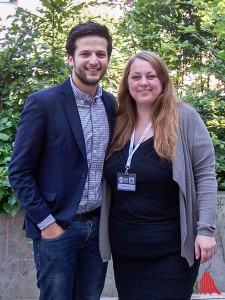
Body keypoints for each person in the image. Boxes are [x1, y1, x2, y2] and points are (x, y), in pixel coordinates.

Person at [8, 22, 116, 300]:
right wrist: (47, 223)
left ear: (108, 59)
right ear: (70, 58)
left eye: (101, 54)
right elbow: (19, 171)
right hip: (59, 227)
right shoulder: (43, 103)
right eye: (85, 54)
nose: (94, 61)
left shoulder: (111, 105)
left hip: (98, 228)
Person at [102, 50, 217, 300]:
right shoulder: (118, 122)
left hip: (171, 251)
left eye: (151, 76)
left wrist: (206, 231)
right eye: (136, 77)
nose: (143, 83)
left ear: (163, 81)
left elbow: (205, 177)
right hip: (126, 250)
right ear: (127, 83)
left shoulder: (184, 118)